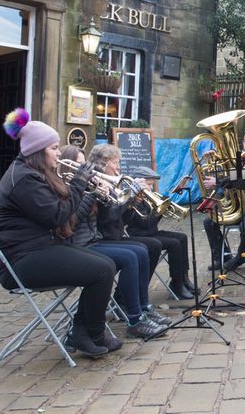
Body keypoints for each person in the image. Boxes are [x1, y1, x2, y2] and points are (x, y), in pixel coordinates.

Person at [0, 108, 118, 358]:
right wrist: (80, 184)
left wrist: (81, 188)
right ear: (38, 151)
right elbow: (57, 216)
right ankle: (90, 332)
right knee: (102, 270)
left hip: (40, 248)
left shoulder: (34, 174)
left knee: (106, 263)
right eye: (54, 148)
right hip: (21, 260)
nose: (59, 154)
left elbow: (61, 213)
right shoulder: (24, 179)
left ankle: (85, 330)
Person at [60, 146, 168, 339]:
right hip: (82, 246)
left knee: (143, 250)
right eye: (80, 164)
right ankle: (134, 319)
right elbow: (77, 221)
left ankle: (141, 309)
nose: (85, 168)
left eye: (85, 163)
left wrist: (129, 200)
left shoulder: (86, 186)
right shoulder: (68, 189)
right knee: (131, 255)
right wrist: (94, 192)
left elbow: (116, 219)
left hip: (96, 240)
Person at [88, 144, 173, 327]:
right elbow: (107, 218)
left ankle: (140, 305)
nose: (118, 168)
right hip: (104, 238)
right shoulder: (96, 183)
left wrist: (133, 201)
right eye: (115, 163)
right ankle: (131, 309)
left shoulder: (112, 183)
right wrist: (128, 199)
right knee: (138, 251)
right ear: (102, 164)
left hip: (114, 236)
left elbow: (123, 220)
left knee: (152, 246)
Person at [123, 165, 197, 299]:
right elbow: (145, 224)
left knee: (182, 237)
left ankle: (184, 277)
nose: (151, 189)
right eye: (149, 185)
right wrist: (159, 211)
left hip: (152, 233)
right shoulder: (135, 201)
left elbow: (155, 219)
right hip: (141, 236)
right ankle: (176, 283)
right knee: (174, 244)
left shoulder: (148, 199)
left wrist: (167, 202)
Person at [203, 126, 245, 272]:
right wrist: (214, 158)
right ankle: (221, 257)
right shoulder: (241, 158)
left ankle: (241, 257)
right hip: (239, 208)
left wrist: (220, 181)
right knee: (209, 221)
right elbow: (231, 175)